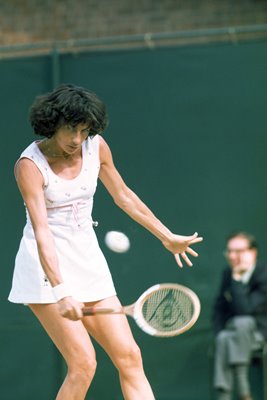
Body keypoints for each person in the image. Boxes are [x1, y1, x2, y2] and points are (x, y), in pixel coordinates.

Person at [8, 84, 203, 400]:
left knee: (130, 357)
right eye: (71, 129)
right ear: (52, 123)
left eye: (84, 130)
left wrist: (167, 236)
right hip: (45, 270)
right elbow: (41, 230)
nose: (77, 139)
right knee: (83, 364)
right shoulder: (29, 166)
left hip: (88, 260)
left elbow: (124, 195)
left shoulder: (95, 147)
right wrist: (61, 291)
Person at [212, 231, 267, 400]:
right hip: (234, 333)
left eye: (238, 251)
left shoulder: (264, 273)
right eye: (229, 251)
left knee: (243, 322)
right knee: (223, 338)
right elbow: (219, 309)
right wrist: (219, 332)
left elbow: (245, 310)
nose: (232, 256)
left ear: (253, 252)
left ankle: (235, 392)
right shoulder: (226, 273)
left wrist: (236, 279)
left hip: (260, 334)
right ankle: (240, 395)